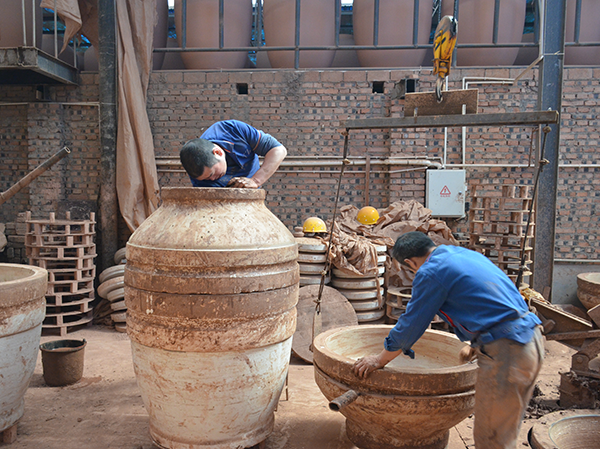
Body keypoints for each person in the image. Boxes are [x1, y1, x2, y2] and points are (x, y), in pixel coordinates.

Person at [352, 231, 544, 449]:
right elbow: (493, 299)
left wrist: (379, 360)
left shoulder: (430, 272)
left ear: (410, 262)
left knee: (492, 440)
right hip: (530, 338)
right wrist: (478, 340)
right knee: (505, 432)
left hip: (507, 352)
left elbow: (410, 326)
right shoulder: (462, 254)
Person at [180, 120, 287, 188]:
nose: (212, 180)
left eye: (211, 174)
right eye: (206, 179)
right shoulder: (197, 172)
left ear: (217, 152)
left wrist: (255, 181)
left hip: (253, 196)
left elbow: (278, 150)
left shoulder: (234, 130)